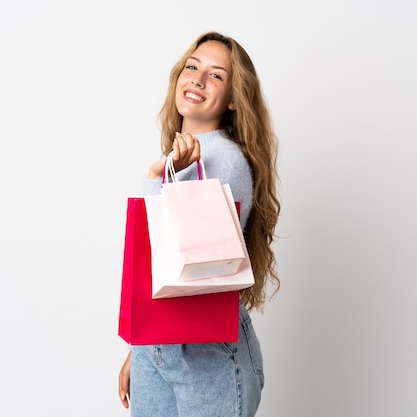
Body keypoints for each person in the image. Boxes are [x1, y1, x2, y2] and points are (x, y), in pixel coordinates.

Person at [118, 31, 281, 417]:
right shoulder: (185, 157)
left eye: (216, 75)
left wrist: (162, 179)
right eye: (192, 67)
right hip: (162, 347)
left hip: (208, 359)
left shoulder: (223, 159)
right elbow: (164, 276)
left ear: (234, 101)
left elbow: (189, 262)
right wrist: (141, 347)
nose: (198, 79)